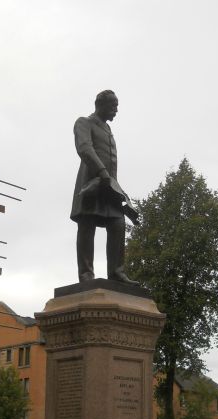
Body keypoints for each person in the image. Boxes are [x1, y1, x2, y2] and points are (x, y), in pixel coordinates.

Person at [71, 90, 139, 284]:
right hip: (91, 182)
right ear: (100, 105)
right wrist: (101, 172)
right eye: (113, 106)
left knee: (118, 224)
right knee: (87, 225)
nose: (116, 110)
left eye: (117, 106)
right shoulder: (84, 122)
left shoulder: (108, 129)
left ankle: (116, 272)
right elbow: (84, 148)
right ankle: (86, 274)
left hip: (109, 185)